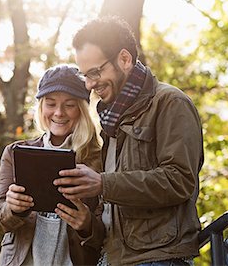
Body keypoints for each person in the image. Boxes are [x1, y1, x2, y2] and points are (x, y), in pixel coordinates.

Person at [53, 16, 204, 266]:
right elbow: (116, 209)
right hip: (115, 258)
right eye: (85, 76)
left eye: (95, 72)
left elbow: (180, 180)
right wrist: (88, 222)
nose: (90, 84)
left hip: (158, 259)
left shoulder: (169, 103)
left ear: (124, 59)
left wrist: (103, 183)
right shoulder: (112, 118)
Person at [0, 64, 106, 266]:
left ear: (82, 109)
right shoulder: (15, 153)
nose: (59, 113)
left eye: (69, 105)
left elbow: (111, 231)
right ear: (41, 107)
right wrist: (13, 208)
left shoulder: (99, 158)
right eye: (50, 103)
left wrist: (87, 225)